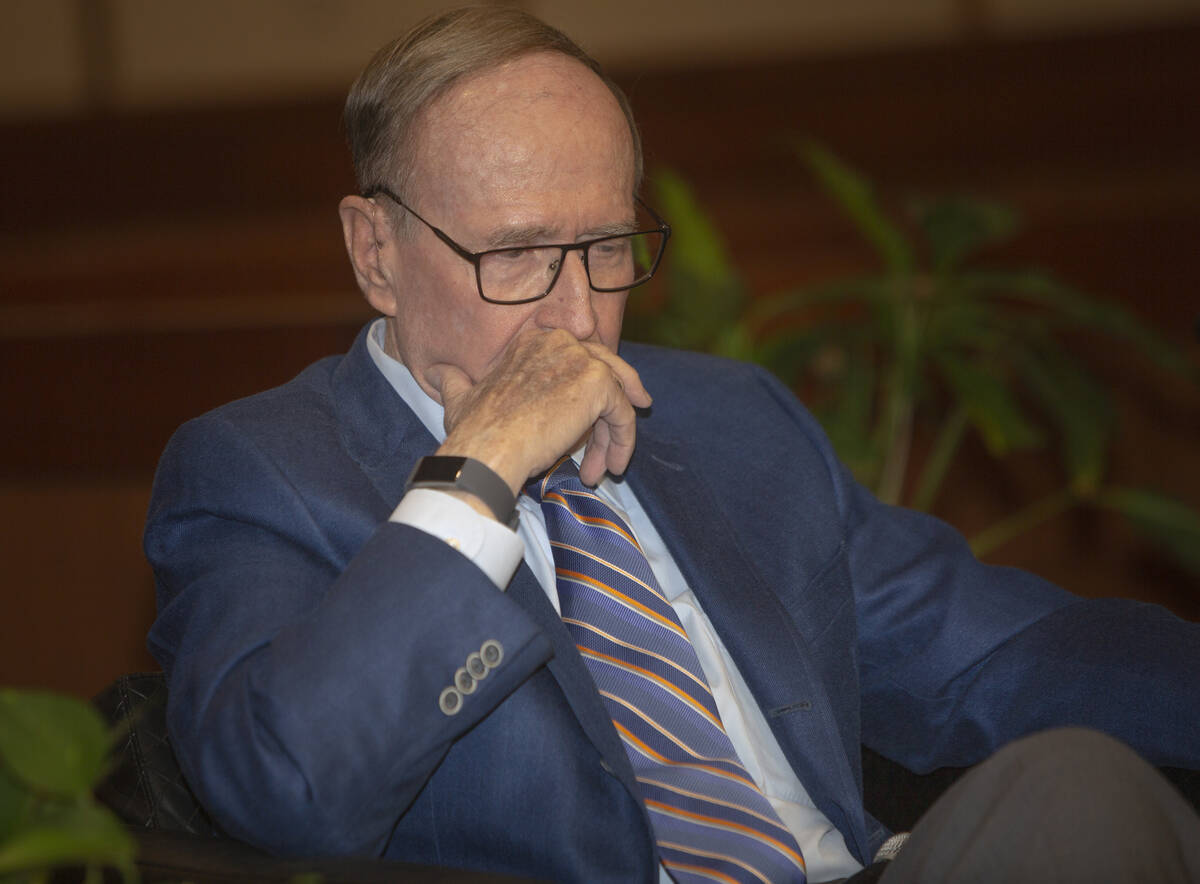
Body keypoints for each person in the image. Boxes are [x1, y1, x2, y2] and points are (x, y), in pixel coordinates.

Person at [144, 7, 1200, 883]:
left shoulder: (733, 421)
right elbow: (287, 788)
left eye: (605, 246)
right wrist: (481, 470)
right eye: (514, 254)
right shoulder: (262, 469)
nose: (573, 316)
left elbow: (999, 655)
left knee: (1078, 789)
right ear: (377, 251)